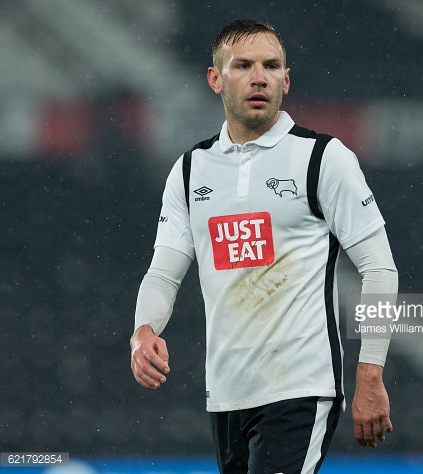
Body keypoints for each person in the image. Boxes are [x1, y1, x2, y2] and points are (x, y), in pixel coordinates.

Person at [130, 19, 398, 474]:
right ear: (215, 79)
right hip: (228, 394)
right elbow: (163, 273)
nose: (260, 77)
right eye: (244, 65)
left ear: (286, 80)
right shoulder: (191, 170)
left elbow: (379, 269)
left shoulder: (322, 158)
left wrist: (370, 373)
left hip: (300, 386)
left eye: (272, 66)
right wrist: (143, 330)